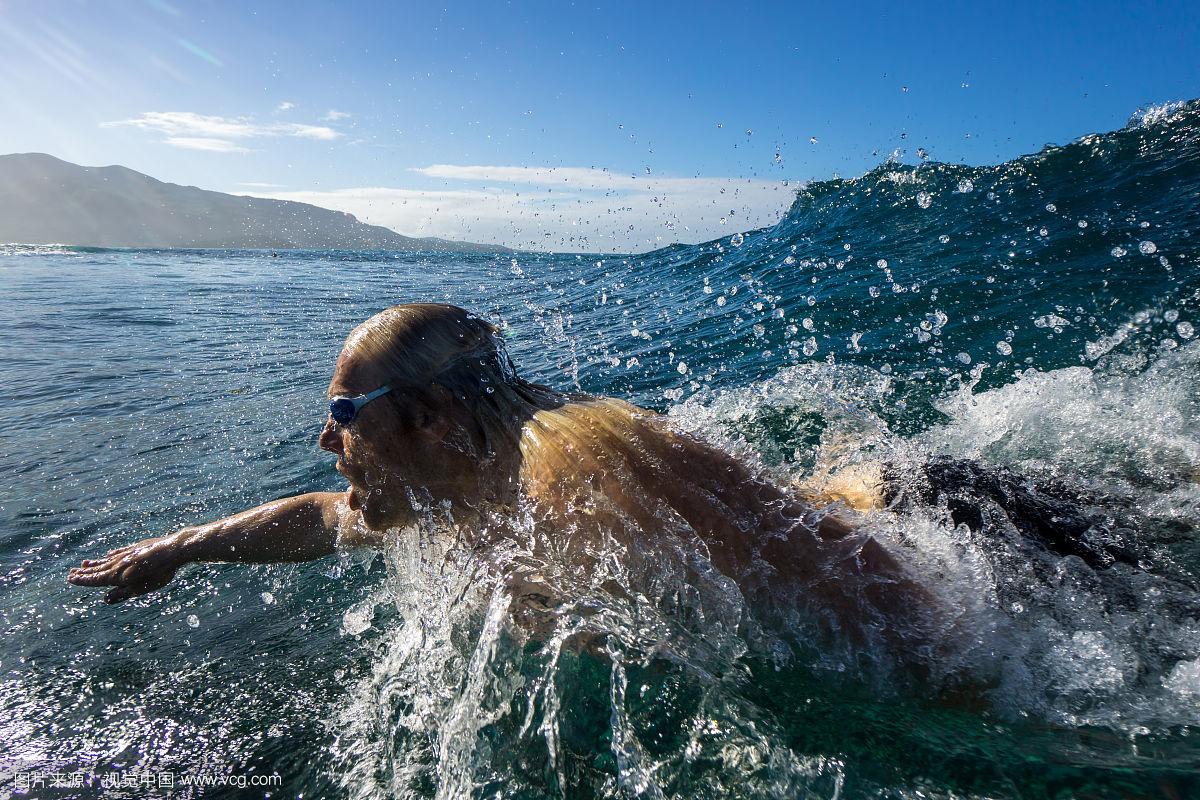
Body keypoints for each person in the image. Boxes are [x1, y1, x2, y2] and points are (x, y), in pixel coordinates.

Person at [68, 303, 936, 650]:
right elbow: (327, 517)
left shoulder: (574, 481)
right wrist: (183, 546)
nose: (327, 441)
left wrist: (959, 699)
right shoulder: (453, 476)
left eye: (343, 414)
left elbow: (868, 586)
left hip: (934, 508)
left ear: (429, 418)